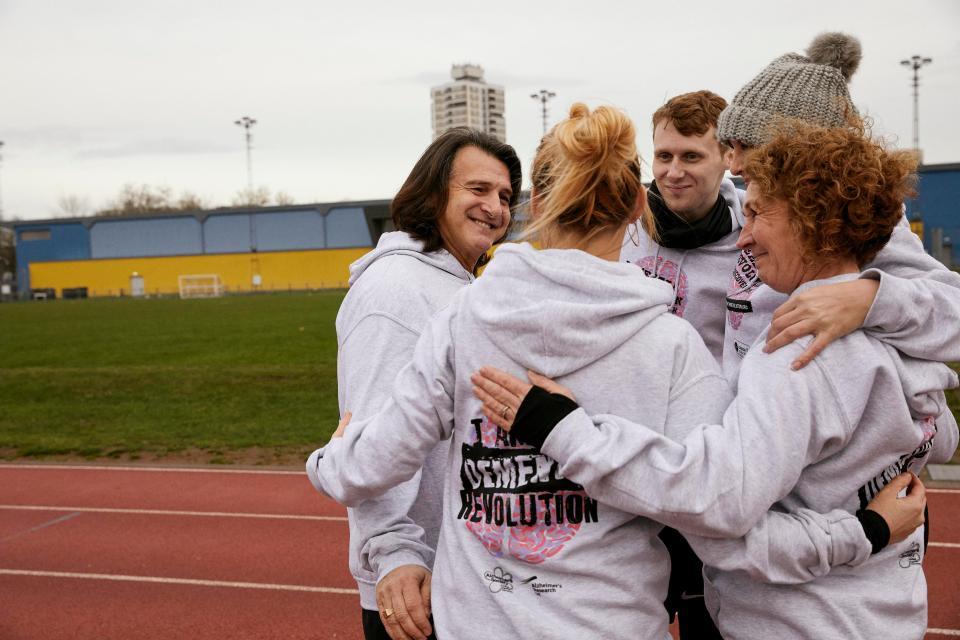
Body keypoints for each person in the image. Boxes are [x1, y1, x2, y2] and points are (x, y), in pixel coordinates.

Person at [308, 104, 898, 640]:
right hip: (612, 624)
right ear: (641, 205)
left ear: (534, 205)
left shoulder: (464, 320)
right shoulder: (671, 344)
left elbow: (368, 468)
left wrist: (329, 460)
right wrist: (861, 533)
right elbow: (721, 511)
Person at [472, 120, 956, 639]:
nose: (742, 237)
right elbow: (941, 440)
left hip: (800, 623)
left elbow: (723, 520)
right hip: (891, 613)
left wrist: (566, 430)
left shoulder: (794, 358)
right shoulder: (909, 335)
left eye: (756, 213)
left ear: (812, 220)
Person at [326, 127, 521, 640]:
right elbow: (366, 440)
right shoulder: (395, 290)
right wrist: (392, 552)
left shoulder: (461, 281)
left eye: (504, 196)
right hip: (414, 584)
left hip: (462, 573)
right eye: (477, 190)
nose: (496, 208)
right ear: (433, 193)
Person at [624, 90, 741, 361]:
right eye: (664, 156)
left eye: (691, 157)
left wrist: (862, 297)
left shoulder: (756, 236)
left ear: (728, 157)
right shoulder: (620, 226)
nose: (674, 173)